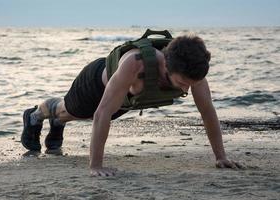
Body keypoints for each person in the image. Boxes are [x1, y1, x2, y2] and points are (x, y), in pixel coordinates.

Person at [21, 29, 243, 177]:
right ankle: (34, 116)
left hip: (124, 100)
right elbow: (102, 113)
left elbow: (207, 112)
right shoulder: (136, 64)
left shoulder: (192, 72)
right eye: (182, 83)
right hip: (94, 84)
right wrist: (96, 166)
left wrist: (220, 156)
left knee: (78, 117)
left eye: (190, 85)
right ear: (166, 65)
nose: (186, 89)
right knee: (68, 110)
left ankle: (58, 124)